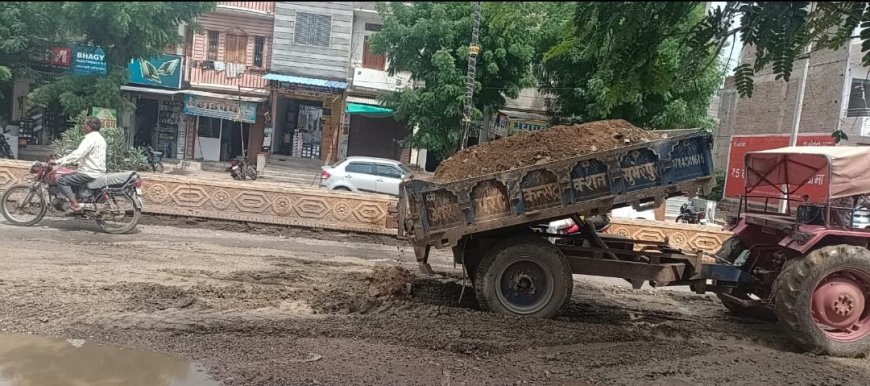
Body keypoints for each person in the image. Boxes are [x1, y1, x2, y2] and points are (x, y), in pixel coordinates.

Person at [52, 116, 107, 213]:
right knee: (72, 176)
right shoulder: (100, 138)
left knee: (61, 180)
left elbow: (78, 154)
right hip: (97, 171)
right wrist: (76, 162)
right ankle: (77, 199)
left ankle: (74, 204)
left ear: (90, 126)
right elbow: (90, 156)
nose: (83, 127)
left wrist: (58, 161)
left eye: (84, 125)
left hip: (89, 173)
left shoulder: (90, 139)